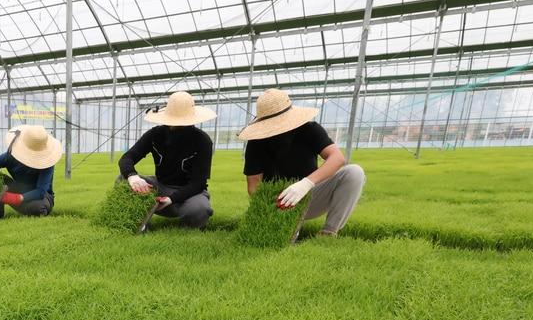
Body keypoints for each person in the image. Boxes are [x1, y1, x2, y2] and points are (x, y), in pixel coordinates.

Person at [236, 88, 365, 237]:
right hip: (278, 202)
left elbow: (337, 158)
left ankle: (329, 232)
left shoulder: (309, 130)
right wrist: (271, 208)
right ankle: (289, 223)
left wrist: (306, 183)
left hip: (311, 194)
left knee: (354, 172)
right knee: (278, 238)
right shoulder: (256, 142)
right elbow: (253, 185)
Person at [118, 91, 215, 230]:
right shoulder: (154, 135)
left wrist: (171, 199)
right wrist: (133, 177)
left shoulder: (202, 141)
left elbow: (198, 183)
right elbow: (127, 158)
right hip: (160, 186)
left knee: (199, 210)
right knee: (122, 179)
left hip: (189, 194)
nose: (178, 125)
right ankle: (142, 224)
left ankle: (191, 225)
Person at [0, 125, 61, 218]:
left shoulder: (47, 162)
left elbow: (41, 191)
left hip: (41, 197)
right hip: (19, 189)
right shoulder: (10, 156)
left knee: (40, 208)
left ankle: (27, 208)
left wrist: (17, 198)